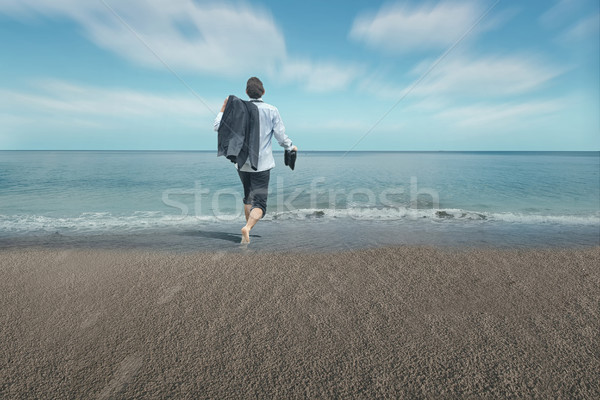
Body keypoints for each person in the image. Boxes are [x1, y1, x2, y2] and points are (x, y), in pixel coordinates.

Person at [213, 77, 297, 244]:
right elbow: (281, 137)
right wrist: (291, 147)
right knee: (260, 204)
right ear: (263, 92)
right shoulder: (272, 110)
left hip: (242, 162)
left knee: (248, 197)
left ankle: (247, 231)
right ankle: (248, 228)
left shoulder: (238, 109)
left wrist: (223, 109)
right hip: (262, 164)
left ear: (246, 92)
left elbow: (217, 127)